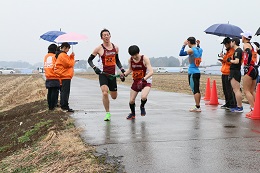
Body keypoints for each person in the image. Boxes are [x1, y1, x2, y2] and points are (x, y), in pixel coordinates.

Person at [88, 29, 125, 121]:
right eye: (104, 35)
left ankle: (109, 90)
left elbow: (117, 60)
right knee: (104, 93)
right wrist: (94, 68)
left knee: (114, 97)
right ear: (101, 38)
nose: (106, 36)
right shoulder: (98, 48)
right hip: (103, 74)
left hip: (112, 75)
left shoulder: (115, 47)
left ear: (110, 36)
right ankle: (107, 113)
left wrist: (122, 69)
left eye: (108, 35)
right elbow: (89, 60)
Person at [123, 45, 153, 120]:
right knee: (131, 100)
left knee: (143, 96)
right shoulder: (130, 60)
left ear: (138, 52)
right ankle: (132, 114)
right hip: (136, 80)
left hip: (146, 80)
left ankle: (142, 106)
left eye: (135, 55)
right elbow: (130, 69)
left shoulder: (144, 58)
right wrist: (124, 75)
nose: (134, 57)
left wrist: (144, 79)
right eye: (132, 55)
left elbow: (151, 71)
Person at [179, 37, 203, 112]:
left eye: (187, 42)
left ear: (189, 42)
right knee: (197, 89)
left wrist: (184, 45)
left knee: (194, 90)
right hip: (197, 71)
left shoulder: (191, 50)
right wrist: (198, 45)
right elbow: (197, 51)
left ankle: (197, 106)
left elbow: (181, 53)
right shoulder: (200, 49)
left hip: (192, 71)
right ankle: (198, 105)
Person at [241, 31, 259, 117]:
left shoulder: (246, 45)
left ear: (244, 37)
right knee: (252, 90)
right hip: (255, 68)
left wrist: (247, 65)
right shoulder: (253, 46)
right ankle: (257, 108)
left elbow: (248, 52)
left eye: (242, 37)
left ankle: (253, 108)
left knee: (247, 90)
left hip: (249, 68)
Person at [54, 42, 75, 112]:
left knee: (64, 92)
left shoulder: (61, 55)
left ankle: (64, 105)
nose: (68, 50)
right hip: (65, 75)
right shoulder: (63, 55)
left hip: (63, 75)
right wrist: (72, 57)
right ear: (65, 48)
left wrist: (70, 57)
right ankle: (65, 106)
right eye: (68, 49)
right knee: (65, 92)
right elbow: (69, 64)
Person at [218, 37, 237, 110]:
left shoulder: (232, 51)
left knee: (230, 89)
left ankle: (232, 103)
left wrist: (224, 59)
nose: (225, 46)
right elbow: (226, 61)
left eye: (226, 44)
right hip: (224, 71)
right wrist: (223, 58)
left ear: (229, 43)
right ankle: (228, 102)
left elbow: (231, 61)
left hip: (229, 72)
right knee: (225, 89)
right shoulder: (227, 52)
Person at [228, 37, 243, 113]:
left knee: (236, 90)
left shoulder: (238, 51)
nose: (230, 43)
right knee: (236, 89)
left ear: (234, 42)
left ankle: (239, 106)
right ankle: (239, 106)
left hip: (235, 71)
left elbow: (237, 61)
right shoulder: (238, 51)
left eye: (231, 42)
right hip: (236, 71)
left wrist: (230, 60)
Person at [44, 44, 60, 110]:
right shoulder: (55, 56)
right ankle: (53, 106)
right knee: (54, 92)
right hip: (55, 76)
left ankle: (50, 106)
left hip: (48, 76)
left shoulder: (46, 56)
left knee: (50, 92)